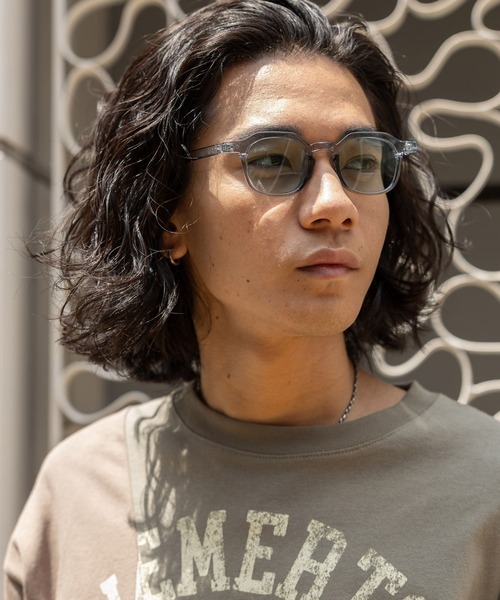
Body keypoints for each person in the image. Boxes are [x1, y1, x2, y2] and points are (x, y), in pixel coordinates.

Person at [4, 0, 500, 598]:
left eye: (361, 162)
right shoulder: (79, 494)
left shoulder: (483, 486)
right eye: (271, 161)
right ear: (167, 215)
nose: (334, 204)